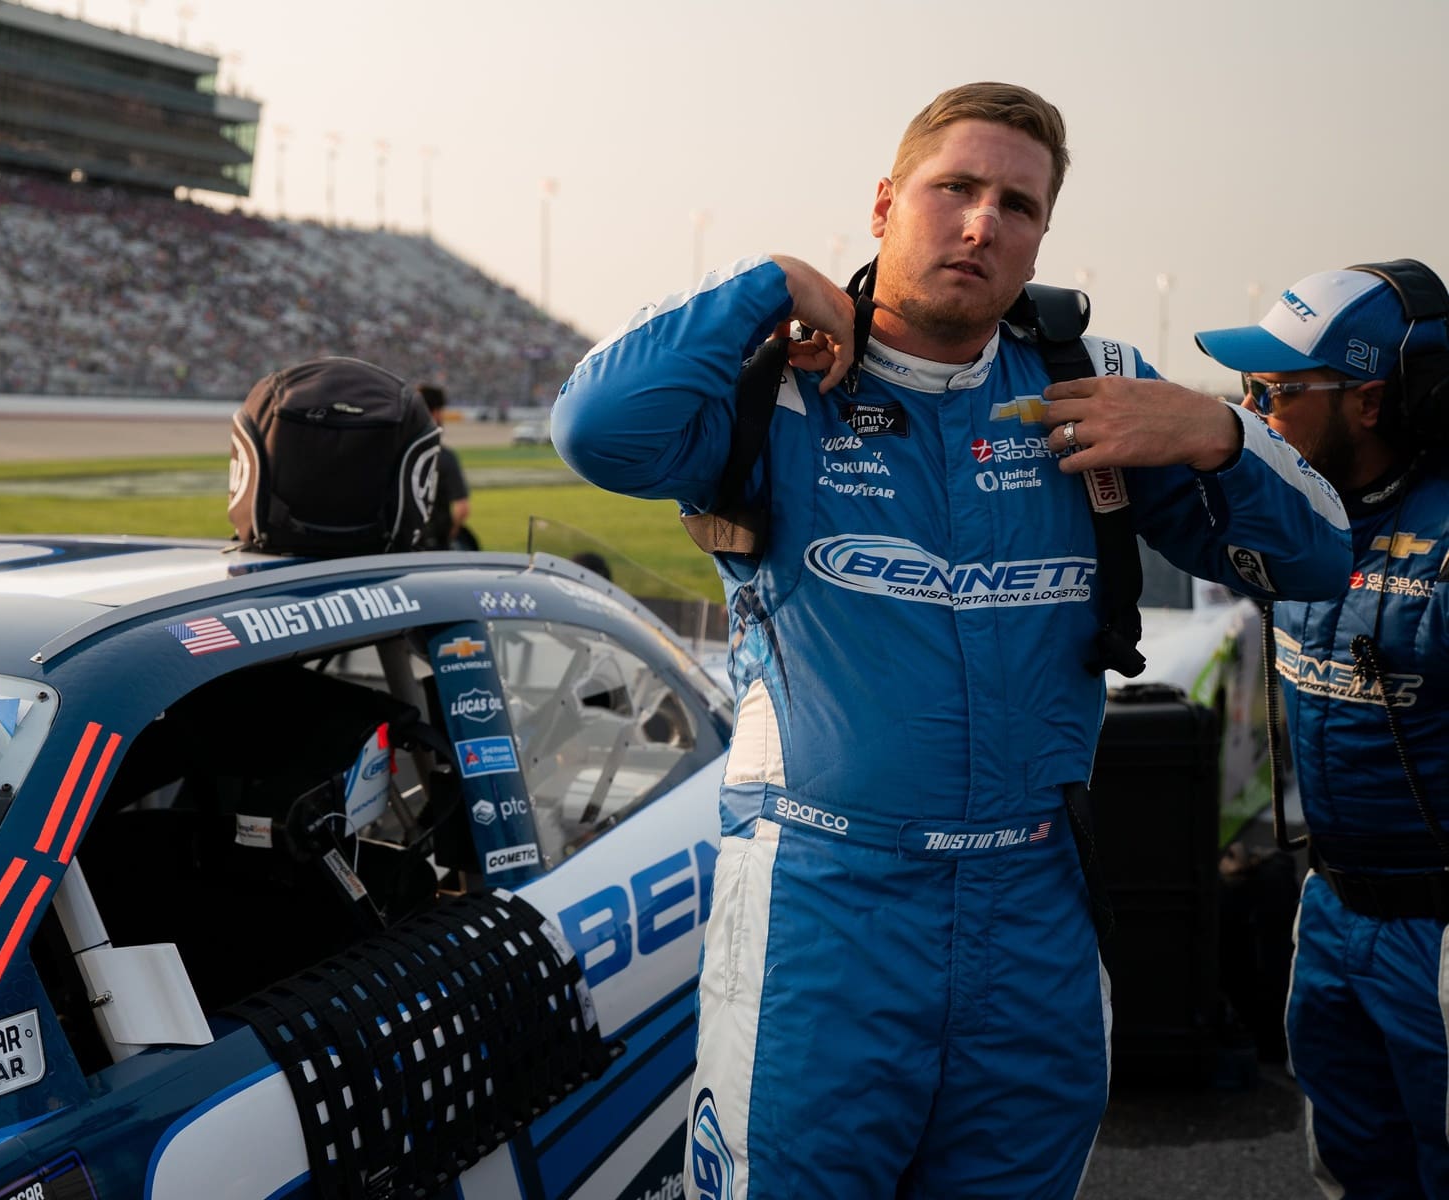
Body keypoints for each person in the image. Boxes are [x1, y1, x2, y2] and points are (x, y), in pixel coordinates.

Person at [551, 81, 1352, 1199]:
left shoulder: (1092, 388)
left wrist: (1216, 433)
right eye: (955, 189)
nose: (982, 224)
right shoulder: (778, 387)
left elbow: (1321, 557)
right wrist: (768, 286)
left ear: (1041, 239)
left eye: (1018, 206)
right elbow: (594, 430)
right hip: (823, 912)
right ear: (885, 203)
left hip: (1038, 909)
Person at [1193, 262, 1449, 1196]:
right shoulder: (1297, 512)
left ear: (1372, 400)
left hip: (1438, 932)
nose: (1254, 409)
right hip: (1334, 910)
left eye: (1279, 391)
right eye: (1248, 388)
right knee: (1349, 1168)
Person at [419, 383, 474, 550]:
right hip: (435, 545)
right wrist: (447, 536)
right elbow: (462, 508)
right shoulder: (444, 457)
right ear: (435, 413)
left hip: (402, 547)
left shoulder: (397, 454)